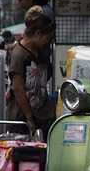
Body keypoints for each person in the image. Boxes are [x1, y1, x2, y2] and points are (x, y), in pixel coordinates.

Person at [5, 9, 56, 138]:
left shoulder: (40, 52)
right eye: (47, 38)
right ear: (38, 33)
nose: (48, 42)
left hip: (40, 114)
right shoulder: (19, 55)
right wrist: (29, 118)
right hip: (22, 119)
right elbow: (18, 88)